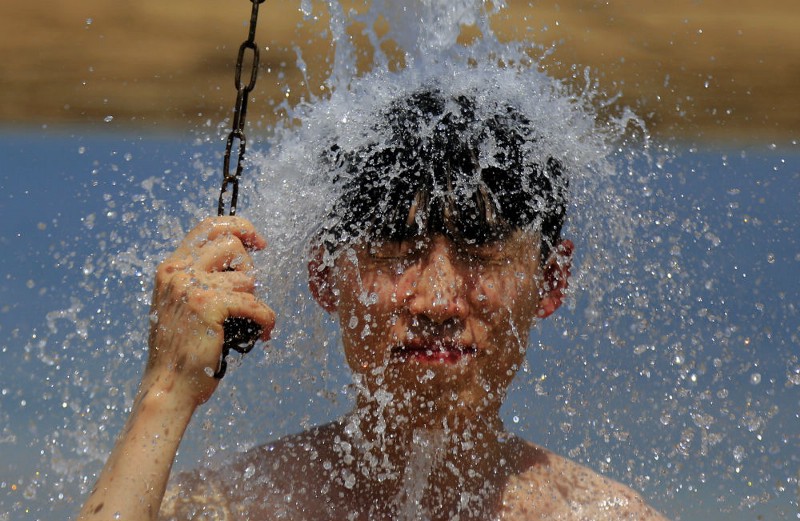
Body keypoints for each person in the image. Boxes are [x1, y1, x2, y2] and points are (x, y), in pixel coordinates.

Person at [78, 89, 668, 520]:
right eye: (395, 253)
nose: (436, 301)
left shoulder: (603, 516)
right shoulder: (239, 506)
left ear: (551, 278)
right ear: (325, 276)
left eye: (480, 253)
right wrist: (167, 389)